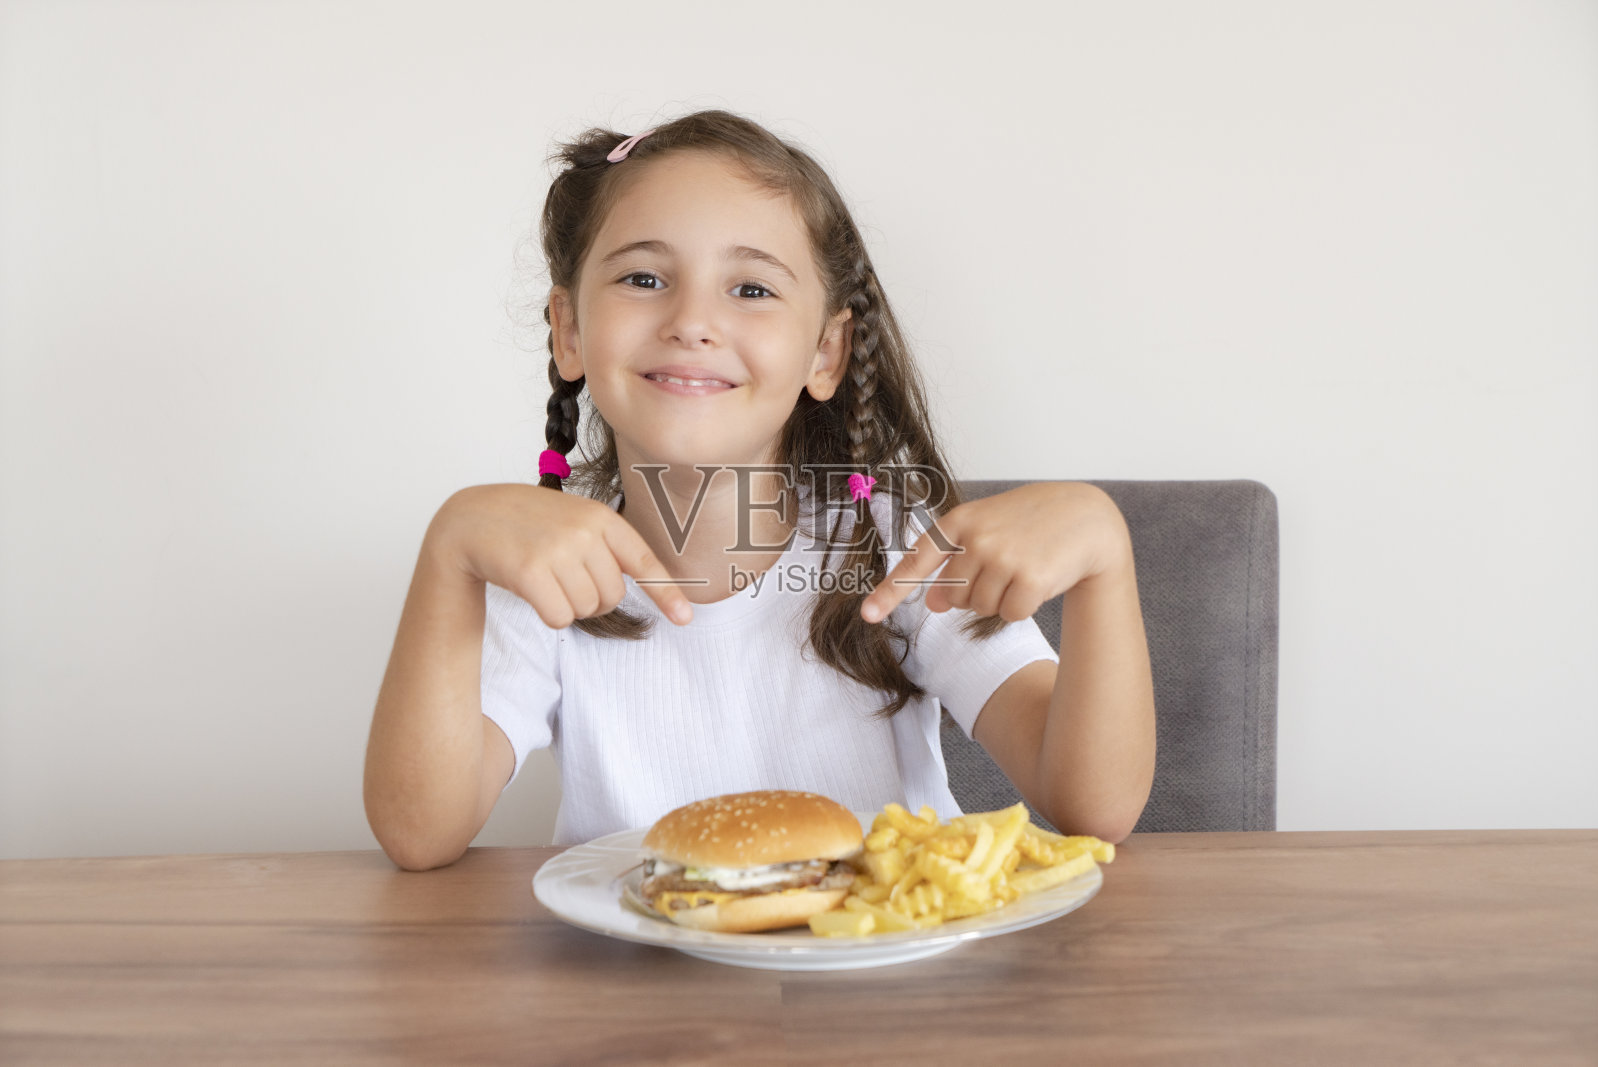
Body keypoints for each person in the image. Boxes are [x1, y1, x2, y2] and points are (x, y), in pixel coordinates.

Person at [363, 110, 1155, 871]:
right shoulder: (542, 575)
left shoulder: (893, 545)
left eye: (751, 289)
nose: (692, 320)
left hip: (879, 992)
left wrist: (1103, 554)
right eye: (644, 277)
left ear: (827, 350)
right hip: (632, 992)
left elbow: (1093, 805)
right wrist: (450, 552)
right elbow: (418, 832)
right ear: (569, 332)